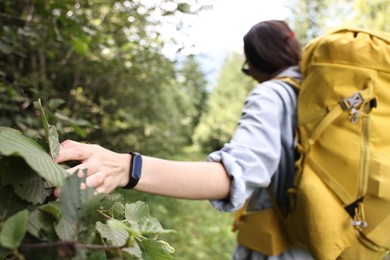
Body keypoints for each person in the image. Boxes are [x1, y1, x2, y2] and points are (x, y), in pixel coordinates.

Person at [55, 20, 312, 259]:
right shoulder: (325, 97)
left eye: (247, 69)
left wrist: (125, 168)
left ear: (257, 62)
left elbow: (231, 175)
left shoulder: (272, 94)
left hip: (281, 250)